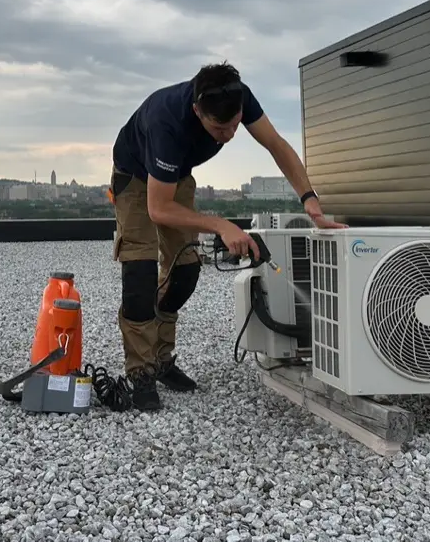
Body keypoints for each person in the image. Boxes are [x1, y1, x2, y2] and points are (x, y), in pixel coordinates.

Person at [107, 61, 346, 410]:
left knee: (185, 273)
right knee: (140, 276)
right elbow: (158, 209)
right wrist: (221, 224)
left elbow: (277, 146)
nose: (229, 135)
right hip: (135, 178)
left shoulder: (237, 96)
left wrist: (310, 200)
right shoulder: (166, 120)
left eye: (234, 125)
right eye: (219, 129)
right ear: (196, 111)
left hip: (176, 178)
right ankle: (140, 371)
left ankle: (160, 360)